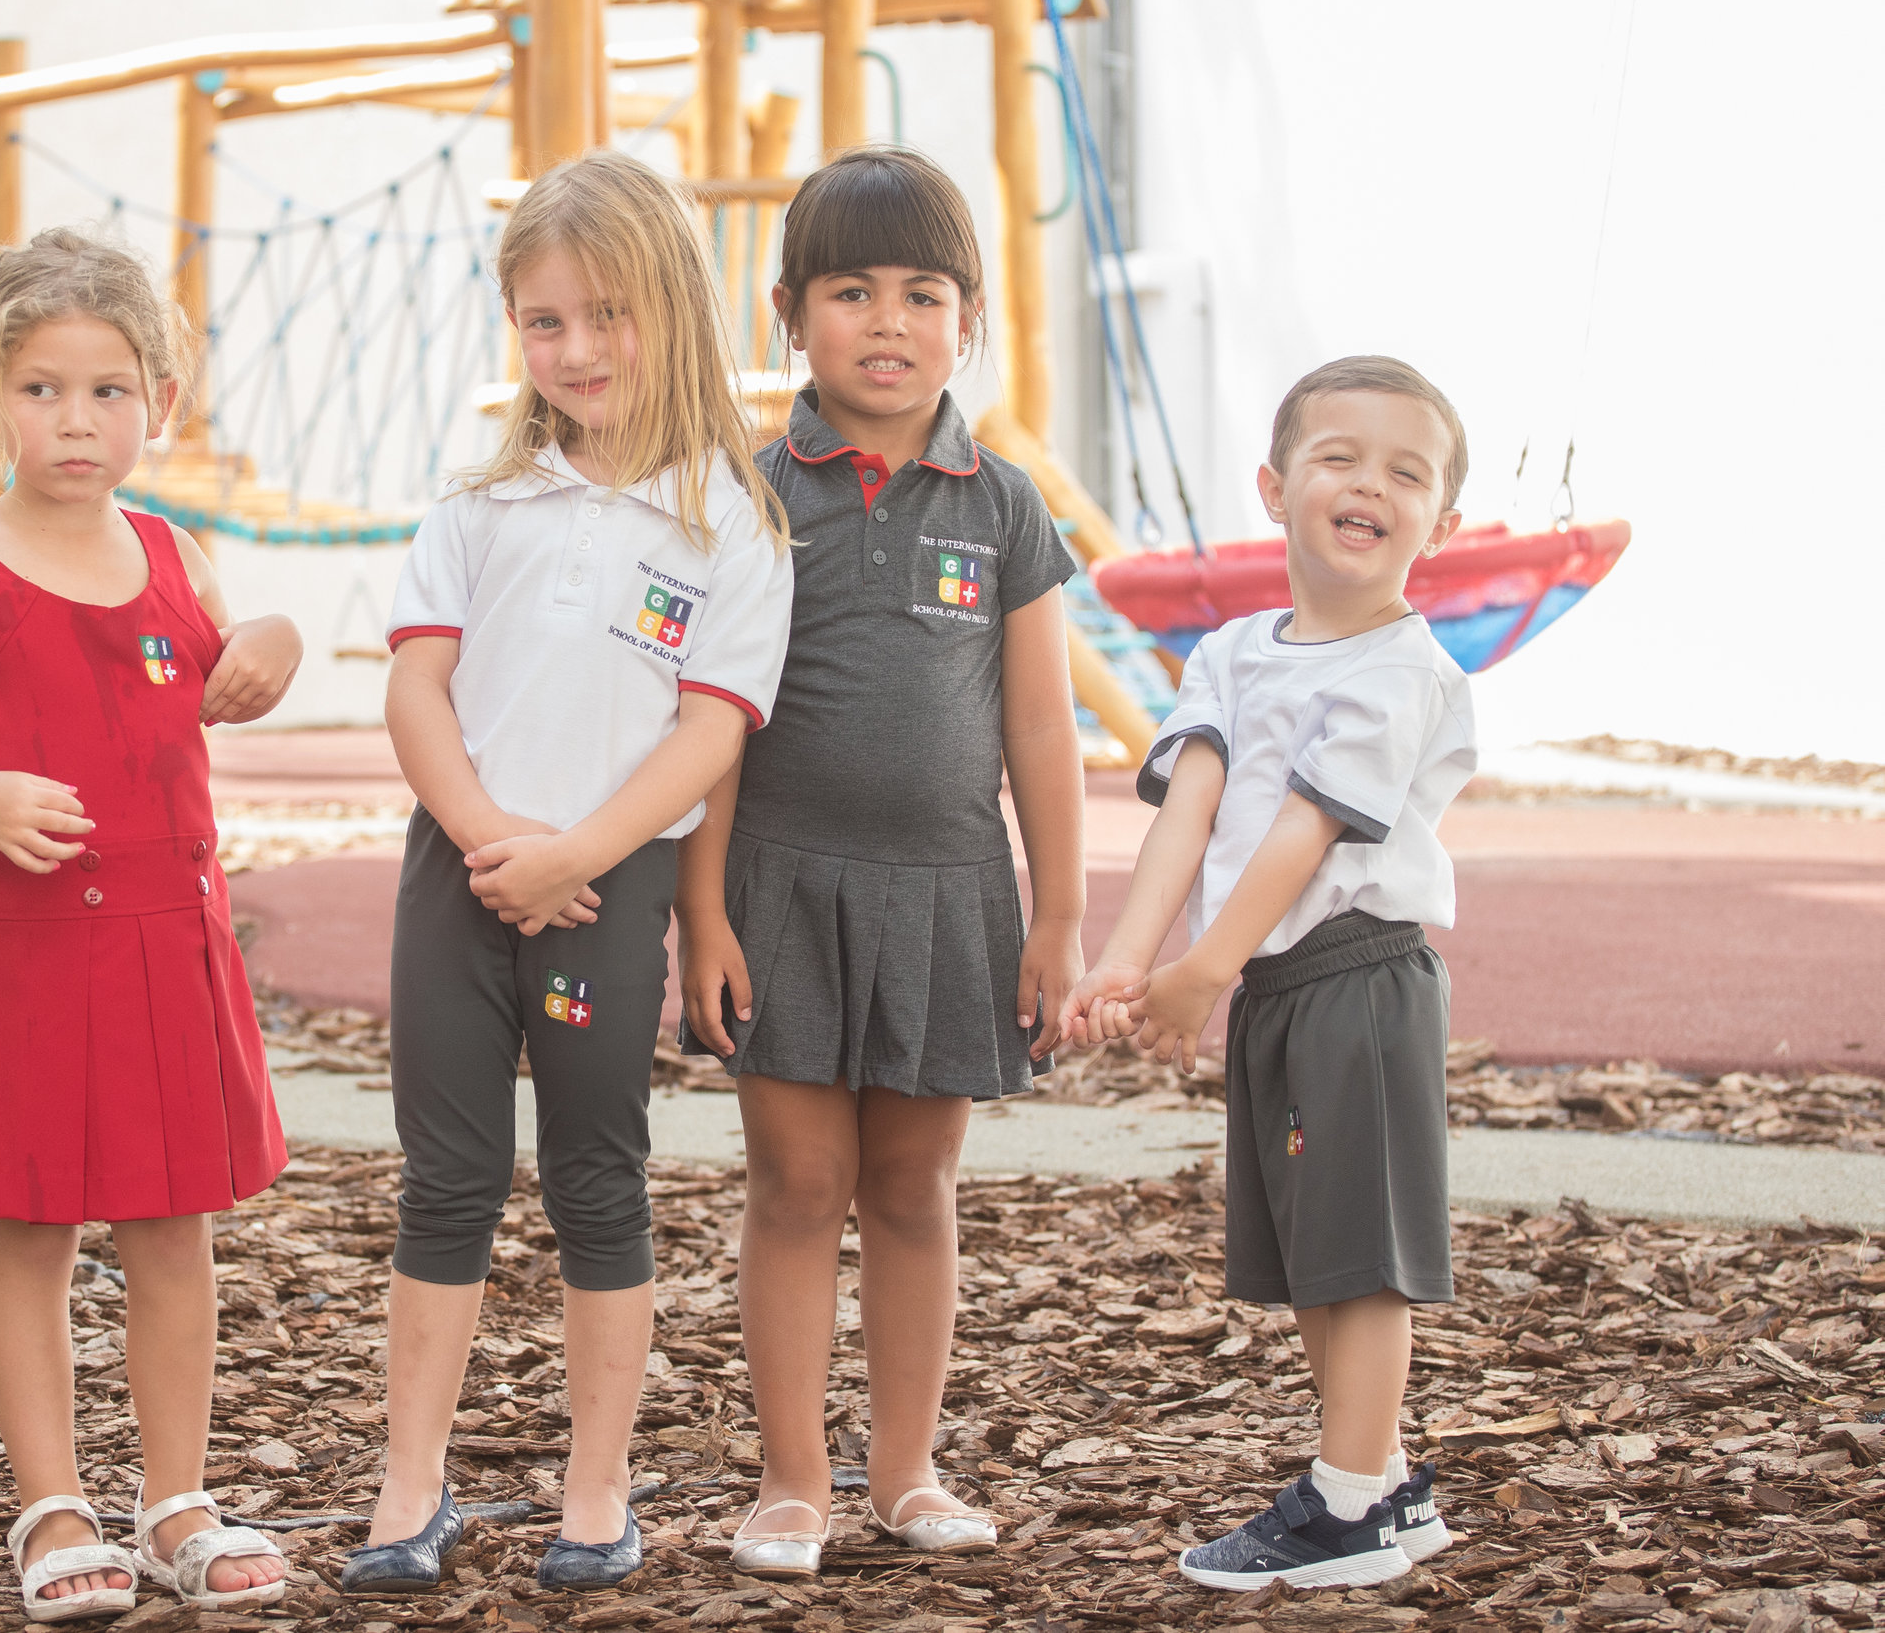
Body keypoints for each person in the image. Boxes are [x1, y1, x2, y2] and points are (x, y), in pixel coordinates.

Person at [346, 149, 794, 1597]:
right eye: (546, 322)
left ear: (673, 306)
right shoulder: (482, 502)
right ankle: (411, 1481)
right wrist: (491, 840)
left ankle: (596, 1488)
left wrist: (576, 857)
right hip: (460, 875)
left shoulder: (727, 518)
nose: (579, 349)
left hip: (611, 889)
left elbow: (710, 729)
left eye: (608, 314)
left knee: (598, 1182)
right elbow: (418, 689)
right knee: (448, 1180)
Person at [0, 228, 301, 1621]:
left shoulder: (177, 552)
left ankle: (177, 1495)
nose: (78, 419)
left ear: (155, 400)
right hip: (28, 951)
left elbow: (235, 668)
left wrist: (271, 644)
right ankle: (52, 1499)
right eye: (44, 388)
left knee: (174, 1227)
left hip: (171, 937)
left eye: (110, 389)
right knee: (31, 1225)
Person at [675, 146, 1088, 1579]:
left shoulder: (1006, 503)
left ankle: (906, 1467)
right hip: (780, 886)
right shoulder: (750, 491)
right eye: (853, 291)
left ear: (965, 317)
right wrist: (701, 916)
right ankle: (794, 1476)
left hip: (951, 892)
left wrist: (1059, 918)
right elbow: (708, 730)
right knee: (795, 1180)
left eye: (923, 292)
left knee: (913, 1184)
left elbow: (1042, 725)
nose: (891, 321)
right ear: (792, 315)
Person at [1060, 355, 1477, 1591]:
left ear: (1439, 525)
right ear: (1274, 484)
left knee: (1360, 1249)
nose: (1367, 485)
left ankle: (1350, 1500)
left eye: (1405, 473)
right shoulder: (1234, 651)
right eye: (1338, 457)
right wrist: (1130, 958)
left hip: (1353, 979)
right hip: (1276, 985)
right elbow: (1189, 806)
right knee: (1311, 1246)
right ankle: (1382, 1481)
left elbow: (1305, 826)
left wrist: (1202, 967)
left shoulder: (1403, 669)